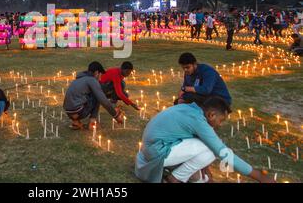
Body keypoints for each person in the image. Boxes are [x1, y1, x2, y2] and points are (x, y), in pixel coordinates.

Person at [135, 97, 275, 183]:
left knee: (207, 149)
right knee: (212, 150)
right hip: (156, 152)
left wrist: (207, 172)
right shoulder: (198, 121)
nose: (220, 124)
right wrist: (259, 176)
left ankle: (178, 176)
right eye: (221, 120)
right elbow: (222, 152)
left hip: (151, 149)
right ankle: (174, 178)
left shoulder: (190, 109)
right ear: (211, 115)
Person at [63, 61, 124, 130]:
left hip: (68, 112)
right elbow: (103, 101)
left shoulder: (79, 79)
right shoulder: (92, 80)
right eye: (101, 75)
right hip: (79, 111)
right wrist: (116, 116)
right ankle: (92, 122)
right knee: (97, 95)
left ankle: (75, 122)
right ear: (96, 73)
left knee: (92, 94)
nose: (100, 78)